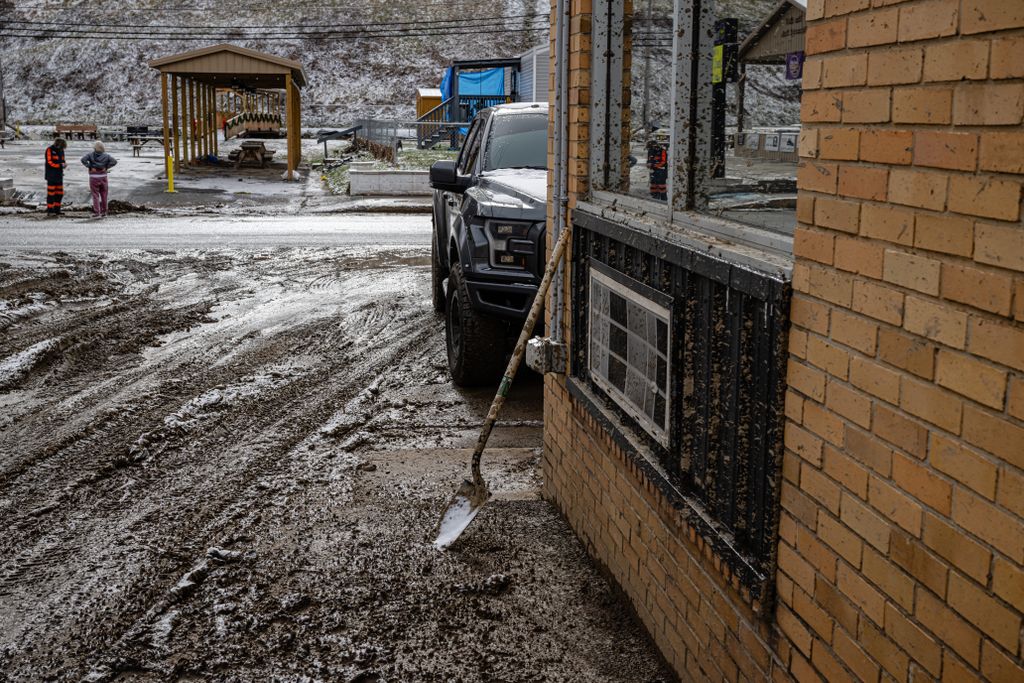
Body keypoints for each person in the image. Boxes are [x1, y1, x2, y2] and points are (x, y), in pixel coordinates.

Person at [81, 141, 117, 218]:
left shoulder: (90, 155)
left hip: (94, 177)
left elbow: (83, 160)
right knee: (104, 195)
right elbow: (114, 161)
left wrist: (90, 166)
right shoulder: (106, 156)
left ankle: (97, 212)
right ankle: (104, 211)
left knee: (95, 195)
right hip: (103, 177)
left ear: (95, 148)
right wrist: (106, 167)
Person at [44, 137, 68, 216]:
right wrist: (60, 165)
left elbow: (63, 160)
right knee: (51, 193)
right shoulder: (49, 150)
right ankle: (50, 210)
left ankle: (57, 209)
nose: (62, 148)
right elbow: (49, 162)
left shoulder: (61, 151)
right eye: (62, 147)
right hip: (51, 175)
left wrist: (64, 165)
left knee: (59, 193)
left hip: (59, 175)